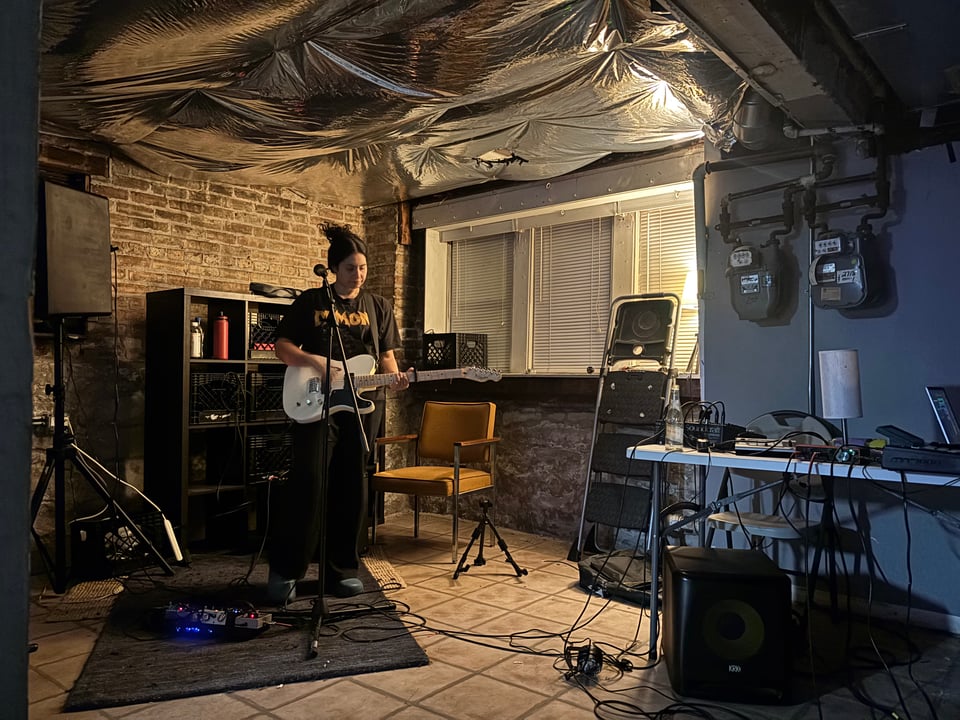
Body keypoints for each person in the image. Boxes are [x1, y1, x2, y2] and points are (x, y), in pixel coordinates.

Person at [267, 222, 408, 604]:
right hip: (316, 403)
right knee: (309, 483)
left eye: (362, 268)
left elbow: (387, 357)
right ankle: (287, 569)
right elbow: (281, 347)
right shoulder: (312, 302)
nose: (357, 275)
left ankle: (342, 570)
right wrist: (315, 360)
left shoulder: (379, 306)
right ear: (333, 269)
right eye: (350, 268)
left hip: (364, 406)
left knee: (351, 485)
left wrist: (395, 379)